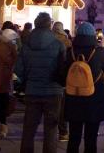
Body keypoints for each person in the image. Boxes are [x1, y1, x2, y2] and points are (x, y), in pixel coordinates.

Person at [16, 12, 67, 153]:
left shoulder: (26, 45)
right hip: (53, 91)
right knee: (51, 130)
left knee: (29, 129)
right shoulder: (58, 45)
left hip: (32, 90)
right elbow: (63, 69)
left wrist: (27, 79)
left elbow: (18, 70)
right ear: (49, 25)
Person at [64, 22, 104, 153]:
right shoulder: (97, 52)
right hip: (94, 100)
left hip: (74, 99)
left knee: (74, 137)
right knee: (91, 138)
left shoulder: (70, 52)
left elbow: (61, 74)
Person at [0, 28, 18, 138]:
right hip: (1, 82)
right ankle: (1, 127)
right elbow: (12, 61)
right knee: (1, 105)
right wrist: (14, 49)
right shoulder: (4, 48)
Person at [52, 21, 72, 141]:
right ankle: (63, 132)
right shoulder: (66, 40)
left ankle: (50, 131)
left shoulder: (49, 39)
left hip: (49, 76)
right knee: (62, 107)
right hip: (62, 77)